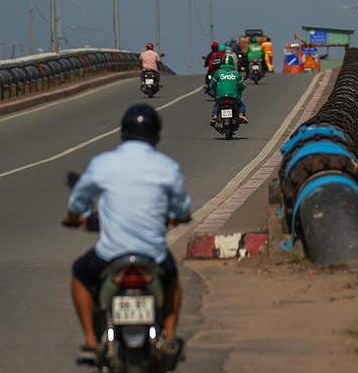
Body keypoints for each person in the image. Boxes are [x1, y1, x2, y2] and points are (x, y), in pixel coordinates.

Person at [63, 104, 191, 357]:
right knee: (171, 280)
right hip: (153, 255)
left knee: (80, 272)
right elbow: (181, 206)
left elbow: (80, 197)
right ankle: (170, 336)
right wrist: (180, 216)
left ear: (122, 133)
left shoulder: (103, 163)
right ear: (156, 135)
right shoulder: (167, 167)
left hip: (110, 255)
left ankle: (91, 339)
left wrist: (72, 217)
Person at [209, 54, 247, 124]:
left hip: (220, 96)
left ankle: (214, 116)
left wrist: (214, 90)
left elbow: (212, 85)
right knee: (242, 105)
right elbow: (241, 86)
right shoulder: (236, 73)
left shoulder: (218, 73)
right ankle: (241, 115)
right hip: (233, 96)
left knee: (217, 105)